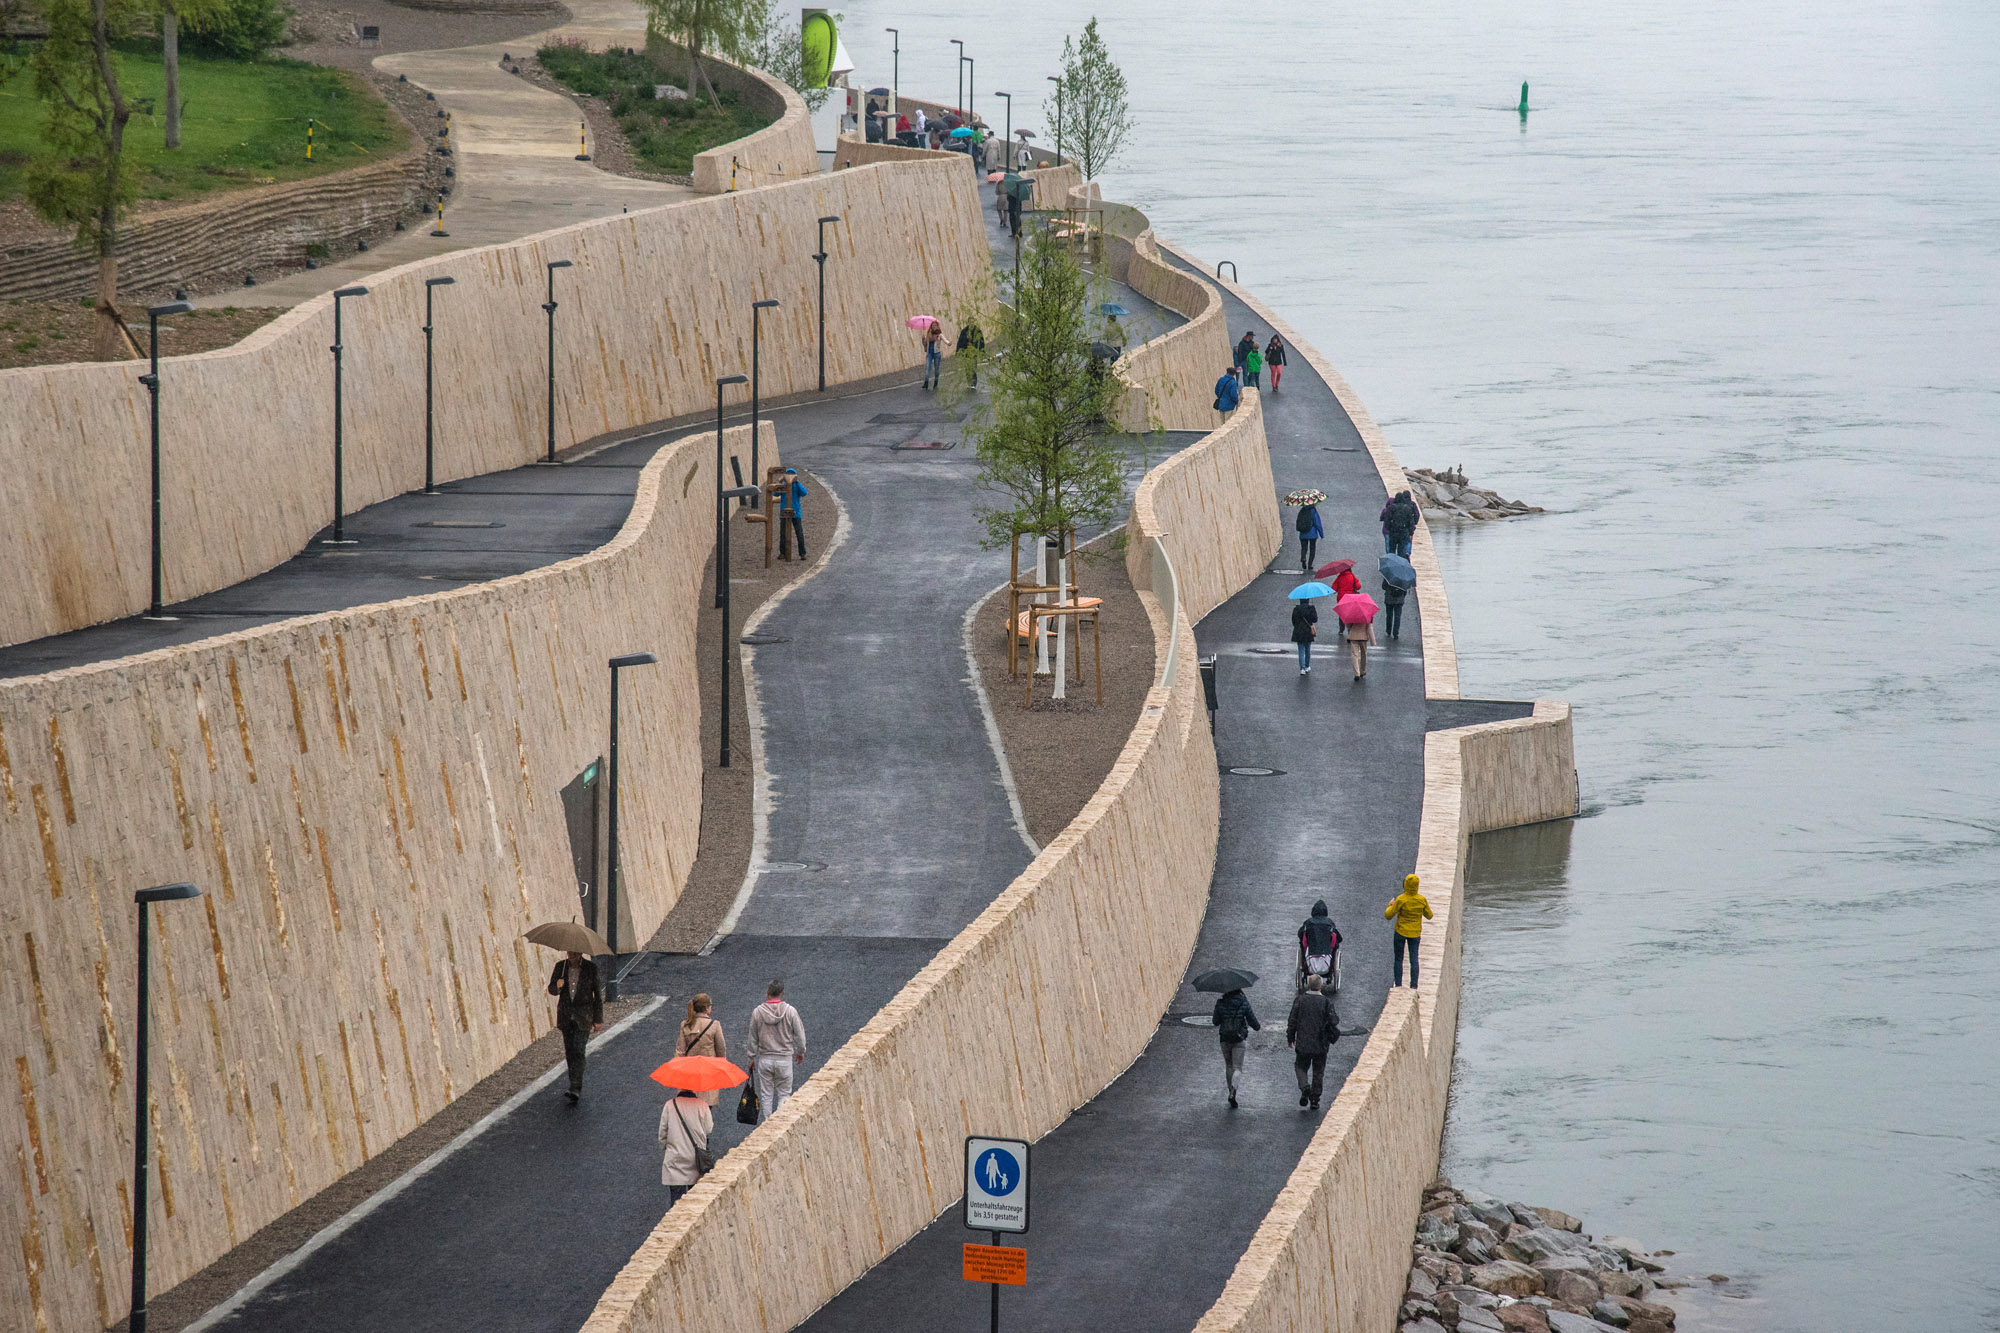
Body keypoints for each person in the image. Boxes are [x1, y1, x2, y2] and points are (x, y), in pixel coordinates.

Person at [547, 949, 603, 1105]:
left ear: (581, 953)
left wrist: (598, 1019)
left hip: (583, 1016)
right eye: (570, 953)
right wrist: (558, 986)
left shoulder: (591, 969)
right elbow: (551, 990)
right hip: (565, 1016)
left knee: (579, 1050)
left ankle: (575, 1087)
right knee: (570, 1050)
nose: (572, 956)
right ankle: (573, 1081)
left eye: (576, 954)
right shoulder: (561, 967)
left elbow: (597, 995)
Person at [746, 979, 807, 1119]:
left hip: (765, 1059)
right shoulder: (790, 1011)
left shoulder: (757, 1012)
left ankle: (768, 1124)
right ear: (782, 994)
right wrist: (800, 1052)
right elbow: (800, 1035)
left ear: (767, 993)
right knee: (784, 1094)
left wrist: (751, 1057)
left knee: (766, 1095)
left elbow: (752, 1037)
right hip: (784, 1060)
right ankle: (780, 1123)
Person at [1285, 974, 1339, 1111]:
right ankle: (1315, 1100)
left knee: (1300, 1066)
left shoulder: (1300, 1000)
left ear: (1309, 985)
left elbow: (1292, 1021)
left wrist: (1290, 1037)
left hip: (1303, 1042)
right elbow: (1334, 1021)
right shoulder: (1326, 1002)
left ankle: (1304, 1087)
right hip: (1321, 1044)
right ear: (1321, 986)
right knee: (1318, 1071)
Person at [658, 1084, 712, 1205]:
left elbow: (662, 1133)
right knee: (694, 1201)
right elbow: (708, 1129)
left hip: (675, 1159)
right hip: (695, 1159)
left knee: (676, 1201)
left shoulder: (670, 1105)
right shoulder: (702, 1105)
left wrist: (665, 1147)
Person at [1212, 986, 1260, 1109]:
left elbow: (1215, 1021)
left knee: (1228, 1065)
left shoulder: (1220, 1003)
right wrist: (1257, 1027)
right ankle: (1234, 1090)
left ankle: (1230, 1092)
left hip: (1224, 1039)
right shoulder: (1243, 1002)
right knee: (1237, 1067)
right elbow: (1253, 1021)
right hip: (1239, 1038)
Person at [676, 993, 727, 1105]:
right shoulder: (714, 1025)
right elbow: (721, 1048)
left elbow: (680, 1050)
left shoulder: (685, 1025)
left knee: (690, 1106)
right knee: (706, 1108)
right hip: (708, 1070)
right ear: (706, 1008)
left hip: (690, 1071)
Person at [1384, 873, 1433, 989]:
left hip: (1400, 932)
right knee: (1414, 959)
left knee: (1398, 959)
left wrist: (1390, 905)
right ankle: (1414, 986)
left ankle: (1398, 985)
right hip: (1415, 933)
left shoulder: (1401, 899)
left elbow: (1388, 915)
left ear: (1405, 885)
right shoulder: (1422, 900)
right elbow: (1429, 915)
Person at [1298, 899, 1339, 989]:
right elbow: (1337, 939)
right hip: (1326, 957)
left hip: (1310, 958)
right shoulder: (1330, 923)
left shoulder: (1308, 923)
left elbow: (1301, 937)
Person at [777, 468, 808, 561]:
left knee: (795, 533)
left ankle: (800, 553)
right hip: (790, 512)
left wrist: (796, 482)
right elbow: (775, 493)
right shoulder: (784, 485)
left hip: (793, 513)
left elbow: (804, 493)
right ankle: (788, 553)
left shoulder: (793, 485)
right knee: (788, 534)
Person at [1382, 489, 1419, 558]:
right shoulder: (1407, 509)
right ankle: (1401, 562)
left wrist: (1389, 528)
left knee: (1392, 549)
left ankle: (1391, 562)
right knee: (1401, 550)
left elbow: (1387, 520)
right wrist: (1411, 532)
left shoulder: (1391, 508)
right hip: (1403, 532)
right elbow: (1411, 522)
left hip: (1393, 532)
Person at [1344, 602, 1376, 679]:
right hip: (1363, 637)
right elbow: (1369, 627)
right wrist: (1373, 641)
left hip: (1353, 636)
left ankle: (1356, 673)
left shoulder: (1351, 613)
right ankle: (1362, 670)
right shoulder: (1367, 613)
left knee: (1355, 655)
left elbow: (1348, 625)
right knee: (1363, 654)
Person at [1290, 596, 1318, 675]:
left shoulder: (1296, 609)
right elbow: (1315, 619)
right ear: (1308, 600)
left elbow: (1293, 621)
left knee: (1301, 650)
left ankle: (1302, 668)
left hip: (1299, 631)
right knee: (1307, 649)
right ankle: (1307, 666)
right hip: (1308, 631)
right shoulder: (1311, 608)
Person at [1295, 501, 1323, 572]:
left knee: (1304, 547)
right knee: (1312, 549)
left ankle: (1303, 557)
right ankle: (1310, 564)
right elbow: (1317, 523)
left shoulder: (1302, 510)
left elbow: (1298, 521)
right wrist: (1321, 534)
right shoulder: (1313, 511)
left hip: (1303, 533)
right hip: (1312, 534)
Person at [956, 321, 985, 386]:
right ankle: (969, 382)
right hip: (966, 352)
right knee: (967, 368)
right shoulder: (964, 331)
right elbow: (960, 341)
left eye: (972, 322)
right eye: (970, 322)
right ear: (968, 322)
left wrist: (981, 351)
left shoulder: (977, 331)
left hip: (974, 352)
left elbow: (981, 341)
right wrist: (958, 351)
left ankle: (974, 383)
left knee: (973, 367)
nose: (971, 323)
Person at [1381, 575, 1408, 640]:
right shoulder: (1404, 576)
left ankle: (1388, 630)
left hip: (1389, 598)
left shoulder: (1388, 574)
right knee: (1397, 616)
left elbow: (1383, 587)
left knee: (1389, 615)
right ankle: (1396, 633)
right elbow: (1405, 588)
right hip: (1399, 599)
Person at [922, 321, 943, 390]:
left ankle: (936, 382)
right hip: (929, 353)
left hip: (937, 353)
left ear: (937, 326)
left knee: (936, 369)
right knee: (928, 368)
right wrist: (923, 340)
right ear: (931, 326)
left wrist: (948, 343)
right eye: (933, 325)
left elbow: (944, 339)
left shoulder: (939, 334)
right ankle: (926, 382)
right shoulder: (929, 334)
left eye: (935, 325)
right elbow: (925, 344)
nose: (934, 326)